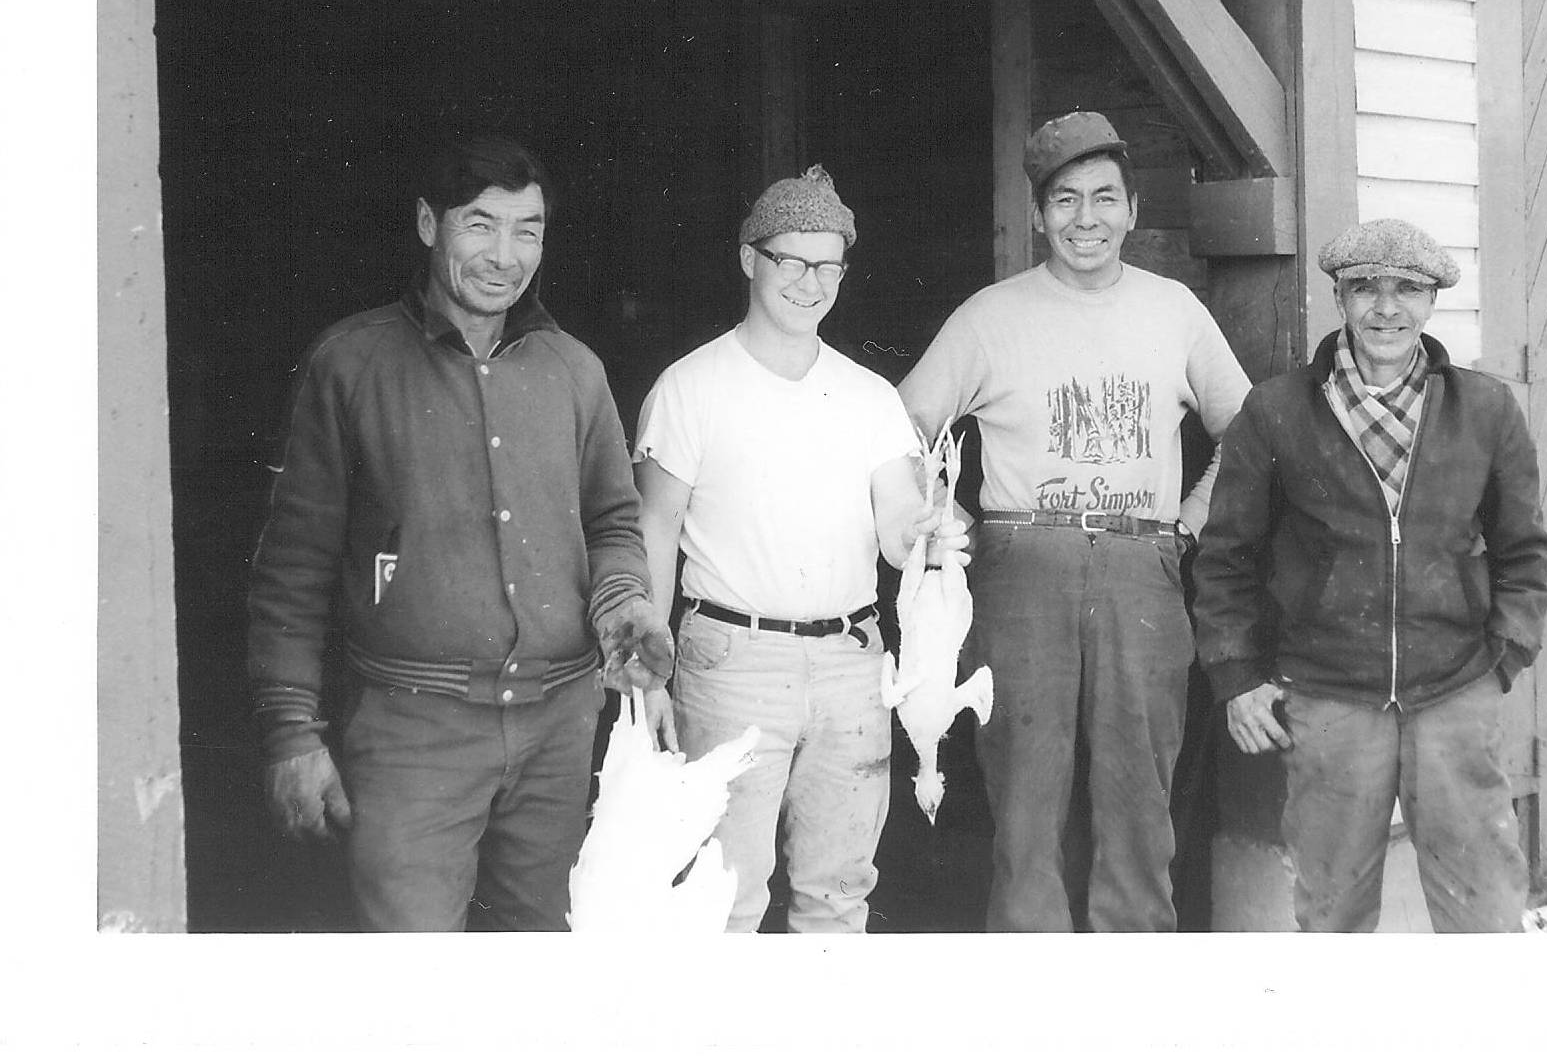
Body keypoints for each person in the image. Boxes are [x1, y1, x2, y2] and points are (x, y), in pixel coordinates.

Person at [245, 134, 670, 931]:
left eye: (528, 230)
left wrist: (622, 600)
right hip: (412, 733)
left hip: (558, 729)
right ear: (426, 223)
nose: (505, 255)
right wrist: (290, 735)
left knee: (538, 960)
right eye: (480, 225)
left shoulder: (576, 370)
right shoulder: (349, 364)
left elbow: (613, 521)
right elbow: (291, 570)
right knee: (415, 982)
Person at [898, 111, 1251, 932]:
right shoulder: (988, 315)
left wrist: (1192, 518)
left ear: (1132, 210)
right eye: (1063, 200)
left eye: (1102, 198)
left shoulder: (1176, 311)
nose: (1083, 219)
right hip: (1023, 563)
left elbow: (1251, 432)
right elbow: (898, 427)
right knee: (1025, 799)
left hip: (1143, 563)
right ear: (1036, 215)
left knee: (1139, 796)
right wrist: (943, 519)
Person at [1192, 217, 1547, 932]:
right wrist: (1236, 676)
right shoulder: (1276, 410)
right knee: (1331, 907)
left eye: (1406, 290)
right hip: (1328, 692)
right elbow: (1226, 556)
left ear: (1431, 303)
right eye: (1364, 288)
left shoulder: (1483, 408)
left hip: (1453, 685)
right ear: (1338, 297)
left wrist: (1501, 659)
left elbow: (1523, 550)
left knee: (1482, 901)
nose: (1385, 309)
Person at [632, 164, 965, 933]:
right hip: (729, 662)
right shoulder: (689, 387)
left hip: (851, 663)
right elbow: (650, 534)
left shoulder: (868, 396)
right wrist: (647, 674)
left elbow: (896, 531)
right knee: (721, 898)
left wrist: (931, 532)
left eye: (828, 265)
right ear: (749, 258)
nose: (810, 282)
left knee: (838, 894)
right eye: (790, 260)